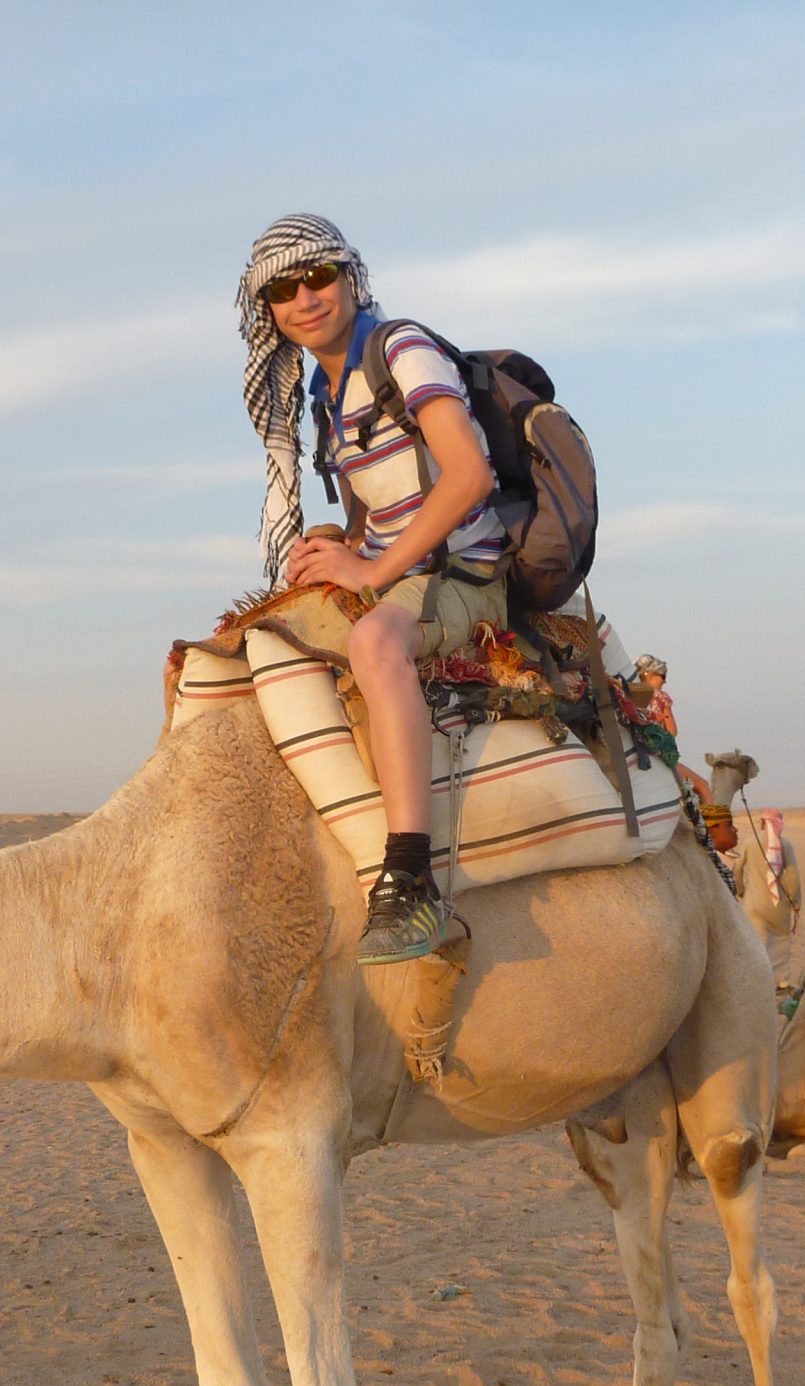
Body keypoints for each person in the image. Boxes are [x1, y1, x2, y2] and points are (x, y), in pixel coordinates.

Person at [238, 214, 508, 964]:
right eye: (282, 291)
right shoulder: (329, 390)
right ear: (268, 313)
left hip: (462, 575)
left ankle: (410, 875)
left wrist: (373, 573)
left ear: (349, 277)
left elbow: (467, 476)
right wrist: (345, 542)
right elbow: (388, 496)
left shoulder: (402, 350)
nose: (305, 298)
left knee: (373, 640)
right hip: (400, 567)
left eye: (317, 276)